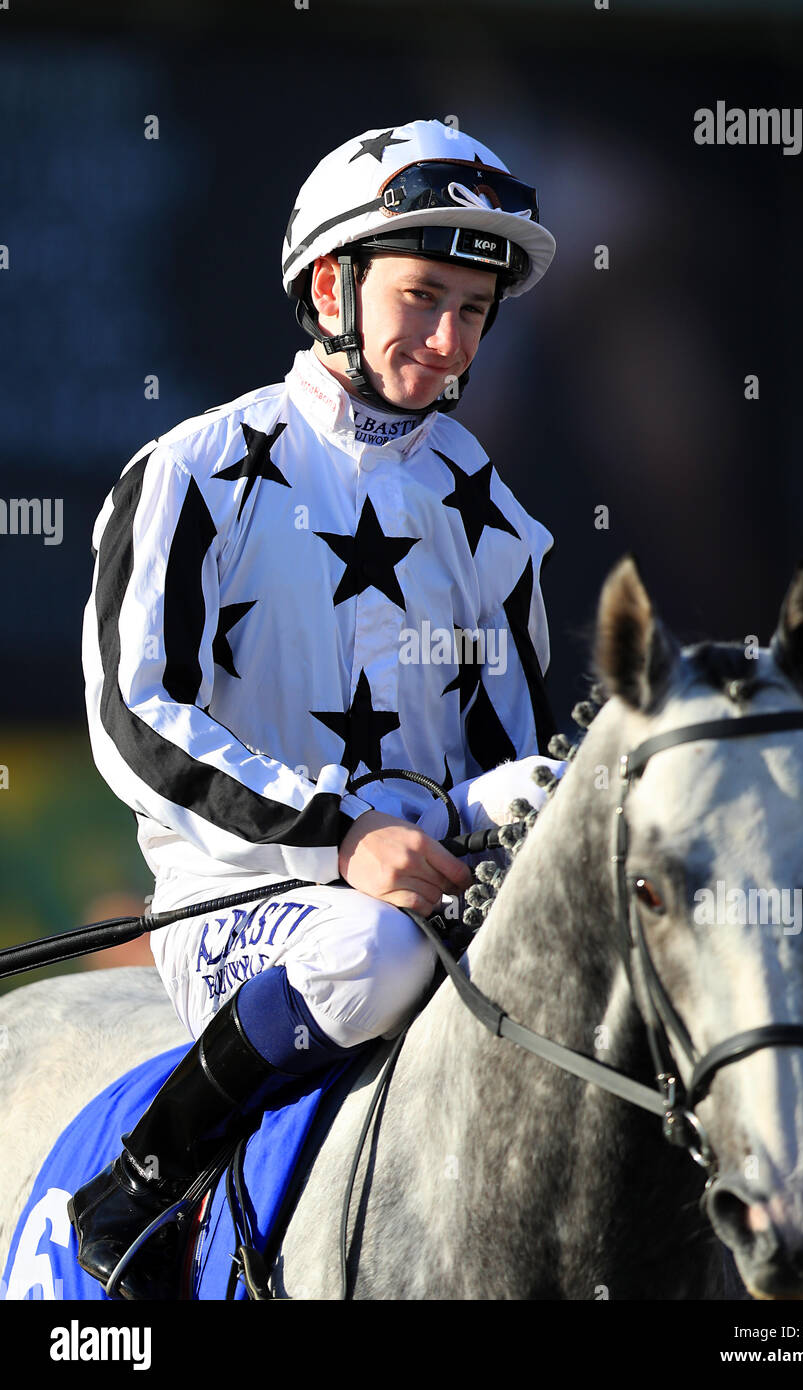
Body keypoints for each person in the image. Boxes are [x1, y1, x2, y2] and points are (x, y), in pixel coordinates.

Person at [68, 118, 561, 1298]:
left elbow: (508, 751)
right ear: (331, 283)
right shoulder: (193, 469)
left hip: (438, 895)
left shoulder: (487, 508)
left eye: (476, 310)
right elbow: (135, 718)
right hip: (245, 901)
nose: (450, 342)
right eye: (423, 296)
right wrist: (339, 838)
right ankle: (144, 1175)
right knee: (376, 939)